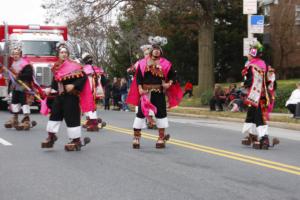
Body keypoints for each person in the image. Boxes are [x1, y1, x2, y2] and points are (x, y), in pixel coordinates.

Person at [127, 36, 183, 149]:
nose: (157, 50)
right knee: (140, 115)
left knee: (161, 115)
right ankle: (136, 138)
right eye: (155, 48)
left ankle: (161, 138)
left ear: (161, 51)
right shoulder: (143, 62)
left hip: (159, 93)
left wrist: (169, 83)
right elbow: (138, 77)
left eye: (159, 49)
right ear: (152, 50)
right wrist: (139, 88)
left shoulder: (166, 63)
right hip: (145, 93)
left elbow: (173, 75)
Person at [41, 44, 90, 151]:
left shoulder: (74, 65)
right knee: (54, 115)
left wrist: (73, 85)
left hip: (71, 97)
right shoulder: (56, 67)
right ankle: (51, 136)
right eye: (61, 52)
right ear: (58, 54)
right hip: (60, 96)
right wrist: (50, 88)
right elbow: (56, 81)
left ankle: (75, 140)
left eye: (65, 52)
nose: (64, 54)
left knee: (71, 117)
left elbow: (83, 78)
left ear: (68, 54)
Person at [241, 41, 279, 150]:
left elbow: (250, 80)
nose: (247, 55)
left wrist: (244, 84)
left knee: (259, 116)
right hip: (260, 95)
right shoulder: (264, 64)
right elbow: (271, 79)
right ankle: (253, 136)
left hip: (259, 96)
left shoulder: (252, 65)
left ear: (252, 55)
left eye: (248, 53)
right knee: (252, 115)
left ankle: (264, 139)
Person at [4, 47, 37, 130]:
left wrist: (19, 76)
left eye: (17, 54)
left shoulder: (25, 64)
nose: (15, 55)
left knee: (24, 102)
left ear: (20, 55)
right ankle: (15, 118)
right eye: (14, 54)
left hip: (24, 87)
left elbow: (29, 75)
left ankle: (26, 119)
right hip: (15, 87)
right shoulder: (13, 64)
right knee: (14, 102)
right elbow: (12, 77)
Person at [81, 53, 106, 131]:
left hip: (89, 91)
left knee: (90, 105)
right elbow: (104, 81)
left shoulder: (84, 69)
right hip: (97, 91)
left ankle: (94, 123)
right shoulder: (97, 69)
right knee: (90, 106)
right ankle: (91, 120)